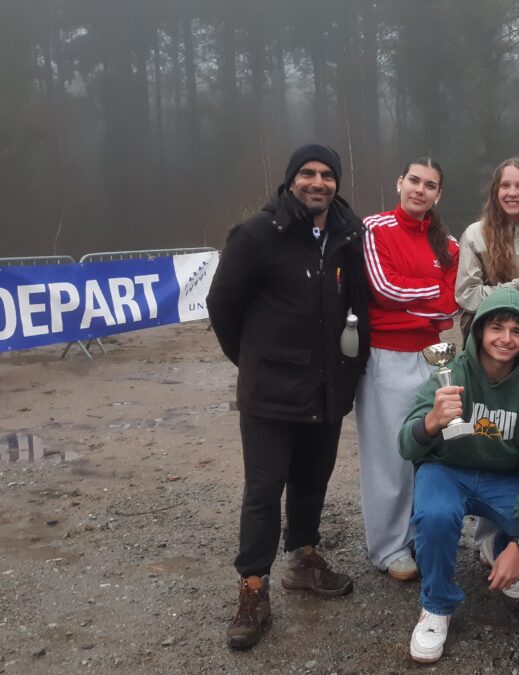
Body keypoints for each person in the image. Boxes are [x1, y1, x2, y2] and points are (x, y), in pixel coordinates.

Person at [207, 143, 371, 649]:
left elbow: (359, 304)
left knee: (311, 480)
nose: (317, 182)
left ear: (337, 183)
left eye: (327, 175)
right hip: (270, 393)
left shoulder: (349, 234)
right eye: (307, 173)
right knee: (263, 491)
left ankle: (302, 559)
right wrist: (253, 361)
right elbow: (222, 304)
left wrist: (347, 369)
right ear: (290, 179)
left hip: (326, 389)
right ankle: (253, 589)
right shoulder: (258, 234)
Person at [399, 287, 519, 664]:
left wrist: (518, 546)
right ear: (480, 330)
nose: (506, 338)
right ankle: (436, 605)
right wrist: (431, 422)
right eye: (497, 327)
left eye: (517, 331)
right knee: (434, 515)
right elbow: (406, 445)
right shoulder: (450, 372)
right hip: (447, 470)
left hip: (503, 479)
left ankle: (495, 549)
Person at [355, 157, 459, 582]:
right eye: (414, 180)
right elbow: (383, 289)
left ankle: (420, 535)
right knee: (389, 456)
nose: (420, 189)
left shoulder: (448, 244)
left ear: (439, 194)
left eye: (430, 185)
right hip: (387, 355)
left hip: (433, 357)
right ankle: (388, 547)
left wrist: (414, 303)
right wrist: (431, 296)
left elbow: (452, 306)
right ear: (399, 183)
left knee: (430, 446)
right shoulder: (374, 228)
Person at [455, 157, 519, 375]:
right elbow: (466, 296)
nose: (512, 193)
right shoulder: (475, 235)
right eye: (505, 185)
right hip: (486, 352)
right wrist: (516, 288)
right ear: (495, 191)